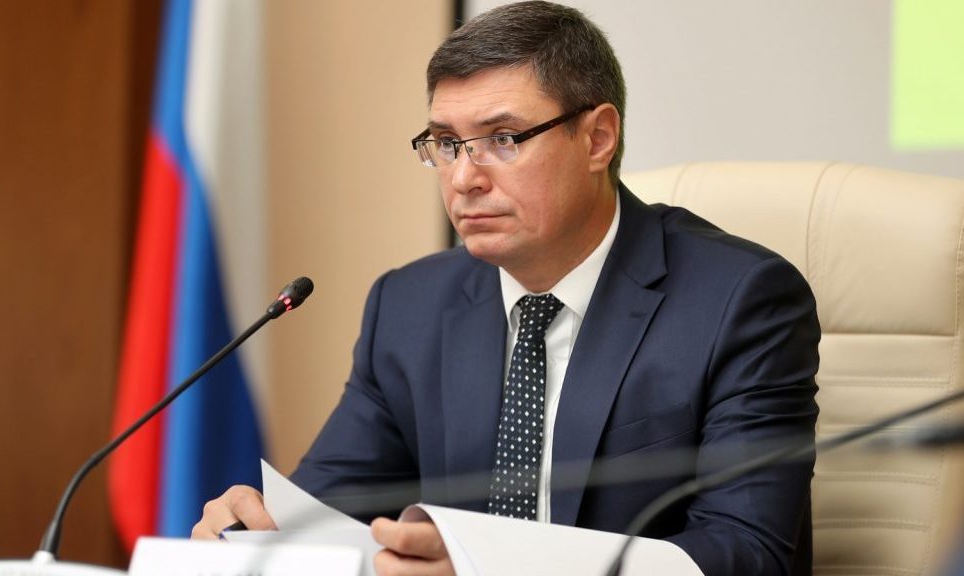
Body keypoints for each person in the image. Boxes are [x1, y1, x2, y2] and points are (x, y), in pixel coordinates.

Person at [192, 2, 820, 575]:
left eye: (503, 139)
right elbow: (330, 510)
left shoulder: (739, 301)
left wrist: (489, 567)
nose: (464, 178)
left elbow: (748, 553)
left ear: (598, 139)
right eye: (446, 144)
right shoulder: (410, 308)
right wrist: (259, 532)